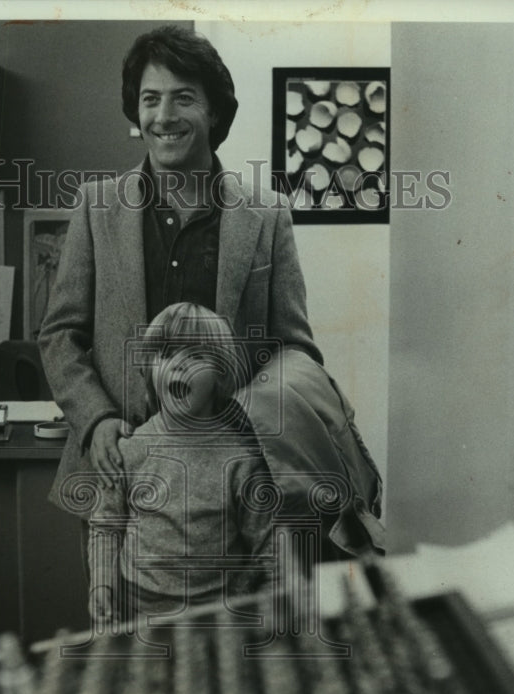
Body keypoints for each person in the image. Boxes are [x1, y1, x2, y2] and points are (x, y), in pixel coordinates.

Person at [39, 25, 321, 521]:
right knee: (115, 602)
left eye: (183, 98)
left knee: (226, 603)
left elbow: (295, 350)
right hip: (117, 476)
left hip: (231, 484)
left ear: (213, 111)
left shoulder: (268, 214)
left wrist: (252, 430)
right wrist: (96, 419)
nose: (164, 117)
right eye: (150, 100)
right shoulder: (96, 206)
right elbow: (61, 334)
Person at [86, 303, 273, 624]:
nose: (177, 366)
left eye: (196, 357)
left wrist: (275, 591)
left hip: (219, 615)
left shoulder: (242, 459)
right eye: (165, 354)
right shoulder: (130, 449)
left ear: (221, 374)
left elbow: (267, 542)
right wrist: (102, 582)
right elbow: (105, 526)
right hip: (138, 611)